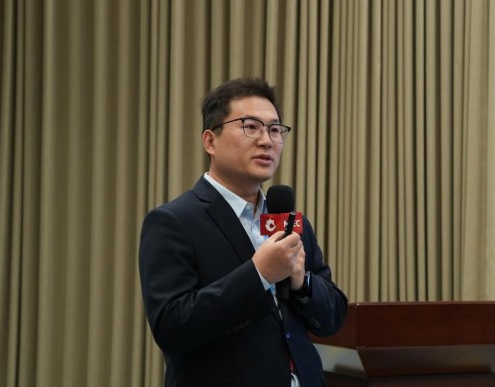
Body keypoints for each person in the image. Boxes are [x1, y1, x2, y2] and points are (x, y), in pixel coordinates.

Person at [139, 77, 348, 387]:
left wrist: (301, 282)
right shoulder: (173, 221)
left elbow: (333, 319)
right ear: (210, 141)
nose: (266, 140)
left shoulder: (289, 223)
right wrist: (258, 274)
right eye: (251, 127)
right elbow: (172, 328)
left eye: (275, 130)